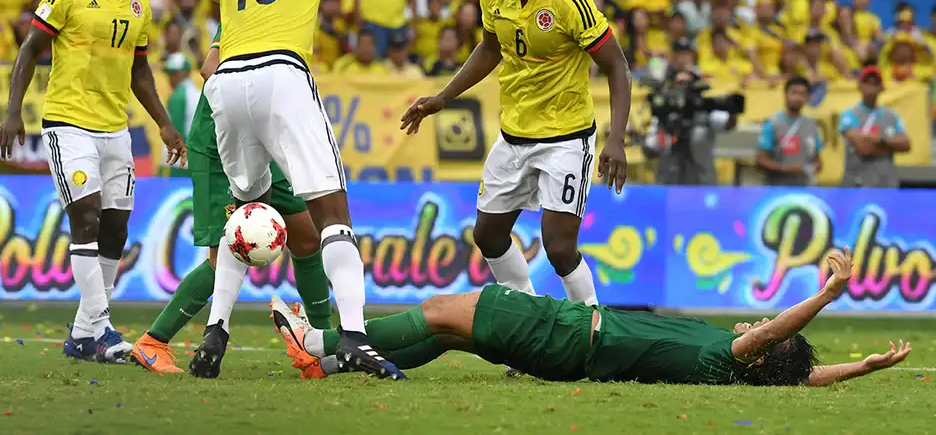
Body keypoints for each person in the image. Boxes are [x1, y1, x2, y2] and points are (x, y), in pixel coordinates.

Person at [28, 0, 412, 380]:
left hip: (229, 90)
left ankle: (222, 332)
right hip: (276, 80)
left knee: (271, 225)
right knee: (332, 216)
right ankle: (353, 338)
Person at [401, 0, 632, 308]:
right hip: (513, 136)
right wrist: (442, 97)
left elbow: (617, 65)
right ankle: (527, 313)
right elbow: (490, 50)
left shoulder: (569, 2)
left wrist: (616, 139)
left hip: (565, 138)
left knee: (559, 248)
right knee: (487, 235)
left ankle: (593, 327)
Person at [272, 248, 912, 385]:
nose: (758, 323)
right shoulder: (744, 373)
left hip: (570, 332)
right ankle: (333, 366)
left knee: (444, 307)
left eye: (765, 334)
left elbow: (778, 331)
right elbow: (799, 376)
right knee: (448, 334)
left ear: (763, 351)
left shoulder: (726, 356)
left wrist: (826, 297)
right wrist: (863, 366)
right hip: (570, 351)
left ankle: (320, 339)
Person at [0, 0, 186, 364]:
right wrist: (13, 111)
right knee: (87, 217)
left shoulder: (139, 1)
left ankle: (82, 333)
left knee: (116, 227)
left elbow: (139, 68)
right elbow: (30, 49)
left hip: (116, 127)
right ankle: (101, 328)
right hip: (68, 123)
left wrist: (163, 122)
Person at [131, 26, 333, 376]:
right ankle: (153, 342)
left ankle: (319, 347)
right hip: (223, 146)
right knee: (226, 254)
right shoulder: (247, 11)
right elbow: (210, 68)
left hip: (265, 141)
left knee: (306, 237)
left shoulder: (293, 17)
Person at [838, 66, 911, 188]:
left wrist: (880, 140)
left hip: (885, 184)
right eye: (867, 83)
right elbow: (864, 148)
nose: (871, 88)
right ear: (859, 86)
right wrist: (891, 147)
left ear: (881, 88)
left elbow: (906, 144)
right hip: (857, 183)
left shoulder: (892, 116)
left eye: (875, 84)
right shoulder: (849, 114)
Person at [756, 76, 823, 186]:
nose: (797, 97)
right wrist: (785, 169)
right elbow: (761, 160)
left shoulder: (811, 125)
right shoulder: (772, 123)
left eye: (802, 94)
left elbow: (818, 161)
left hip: (804, 187)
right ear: (786, 95)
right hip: (776, 187)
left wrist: (810, 168)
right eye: (794, 93)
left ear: (807, 98)